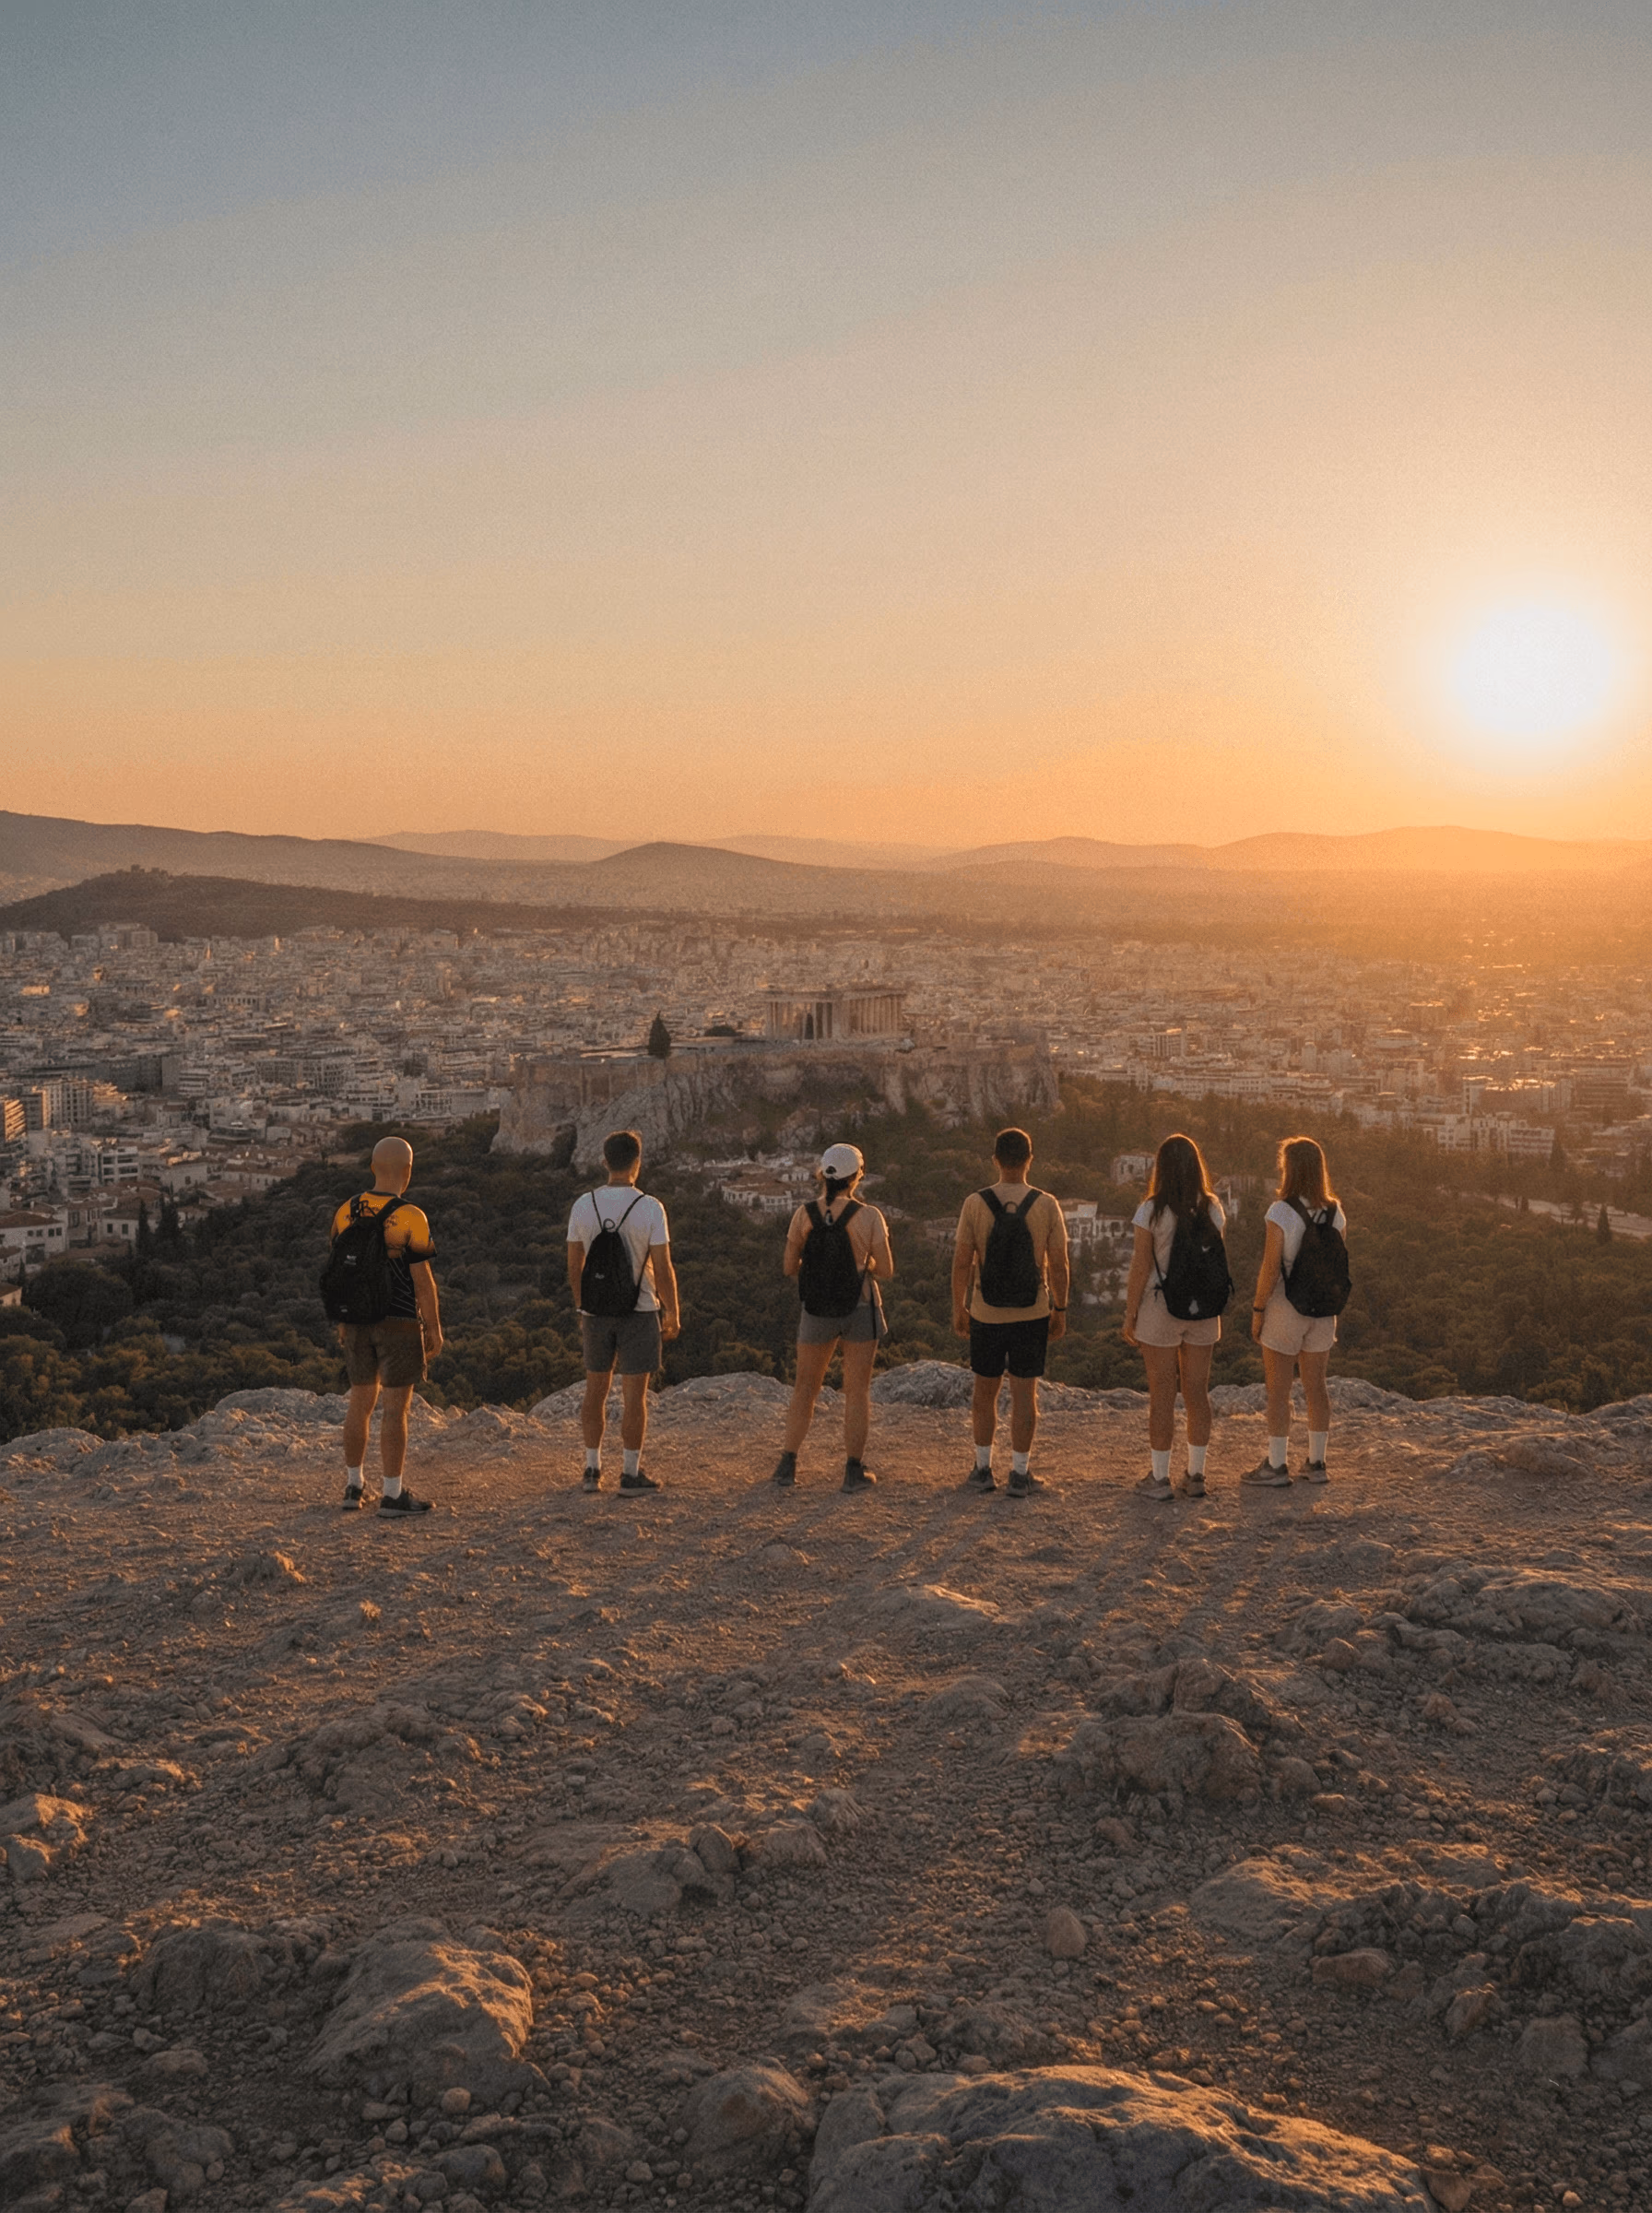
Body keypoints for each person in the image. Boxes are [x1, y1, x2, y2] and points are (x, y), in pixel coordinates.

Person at [950, 1127, 1069, 1497]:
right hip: (1032, 1312)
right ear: (1030, 1160)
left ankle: (983, 1469)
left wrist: (960, 1304)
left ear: (995, 1161)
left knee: (984, 1394)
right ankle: (1020, 1474)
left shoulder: (974, 1203)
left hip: (986, 1313)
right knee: (1024, 1396)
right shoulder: (1047, 1204)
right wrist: (1060, 1308)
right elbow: (1060, 1264)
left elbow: (961, 1262)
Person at [773, 1142, 894, 1493]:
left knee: (805, 1388)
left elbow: (787, 1267)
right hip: (860, 1307)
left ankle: (787, 1464)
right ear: (857, 1177)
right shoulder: (869, 1216)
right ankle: (853, 1471)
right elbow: (885, 1269)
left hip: (816, 1310)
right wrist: (863, 1264)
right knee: (856, 1391)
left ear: (822, 1176)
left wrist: (820, 1272)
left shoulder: (803, 1214)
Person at [330, 1136, 443, 1514]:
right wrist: (434, 1327)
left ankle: (352, 1487)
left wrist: (343, 1320)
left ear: (373, 1167)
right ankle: (393, 1494)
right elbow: (422, 1281)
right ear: (408, 1171)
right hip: (398, 1320)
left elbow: (338, 1272)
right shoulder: (411, 1216)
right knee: (396, 1410)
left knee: (359, 1404)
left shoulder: (346, 1210)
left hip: (357, 1320)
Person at [566, 1130, 681, 1494]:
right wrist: (672, 1311)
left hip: (595, 1312)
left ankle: (591, 1469)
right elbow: (663, 1268)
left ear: (604, 1163)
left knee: (594, 1392)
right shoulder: (650, 1207)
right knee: (635, 1397)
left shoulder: (584, 1205)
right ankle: (630, 1474)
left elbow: (574, 1263)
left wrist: (580, 1302)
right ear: (637, 1164)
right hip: (641, 1310)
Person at [1122, 1132, 1226, 1502]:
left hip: (1159, 1308)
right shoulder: (1213, 1207)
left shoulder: (1151, 1210)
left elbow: (1140, 1266)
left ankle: (1159, 1478)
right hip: (1203, 1310)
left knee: (1162, 1395)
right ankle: (1196, 1475)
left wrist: (1130, 1314)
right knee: (1198, 1393)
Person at [1247, 1135, 1348, 1485]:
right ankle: (1317, 1464)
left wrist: (1258, 1309)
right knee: (1316, 1387)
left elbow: (1270, 1267)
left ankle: (1276, 1466)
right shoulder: (1335, 1211)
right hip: (1322, 1311)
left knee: (1278, 1390)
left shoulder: (1281, 1212)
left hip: (1285, 1308)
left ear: (1289, 1169)